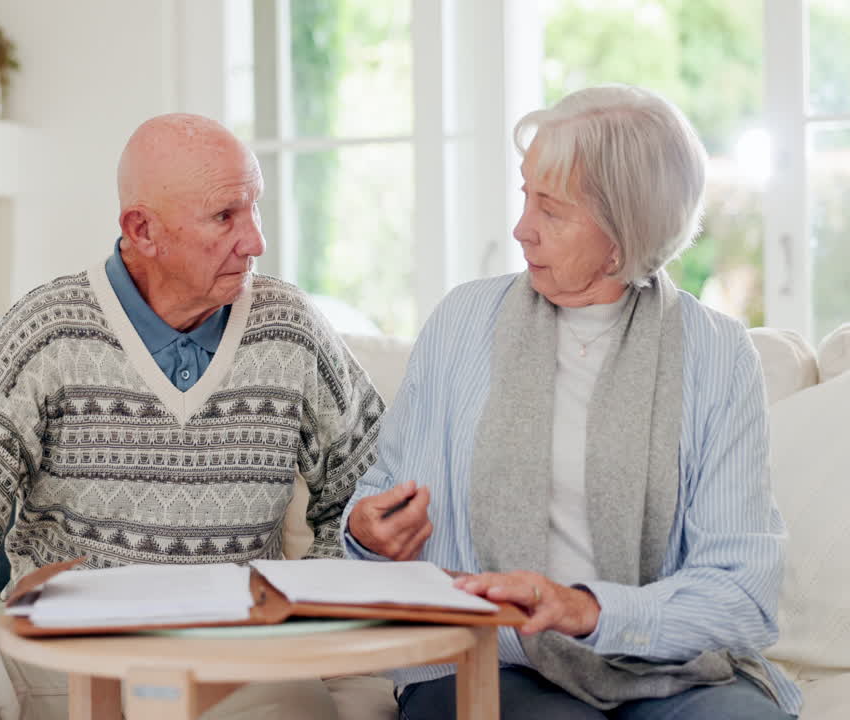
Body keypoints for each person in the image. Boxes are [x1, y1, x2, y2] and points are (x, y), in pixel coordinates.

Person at [0, 114, 389, 720]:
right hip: (58, 655)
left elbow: (373, 485)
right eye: (225, 216)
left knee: (298, 703)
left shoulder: (290, 328)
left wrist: (297, 606)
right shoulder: (47, 330)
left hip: (232, 663)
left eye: (254, 208)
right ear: (143, 230)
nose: (255, 241)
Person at [343, 85, 803, 719]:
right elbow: (382, 502)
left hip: (664, 664)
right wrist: (368, 531)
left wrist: (589, 611)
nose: (521, 228)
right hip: (487, 656)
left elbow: (743, 595)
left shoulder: (716, 355)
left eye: (551, 211)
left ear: (623, 235)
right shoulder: (463, 322)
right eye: (525, 195)